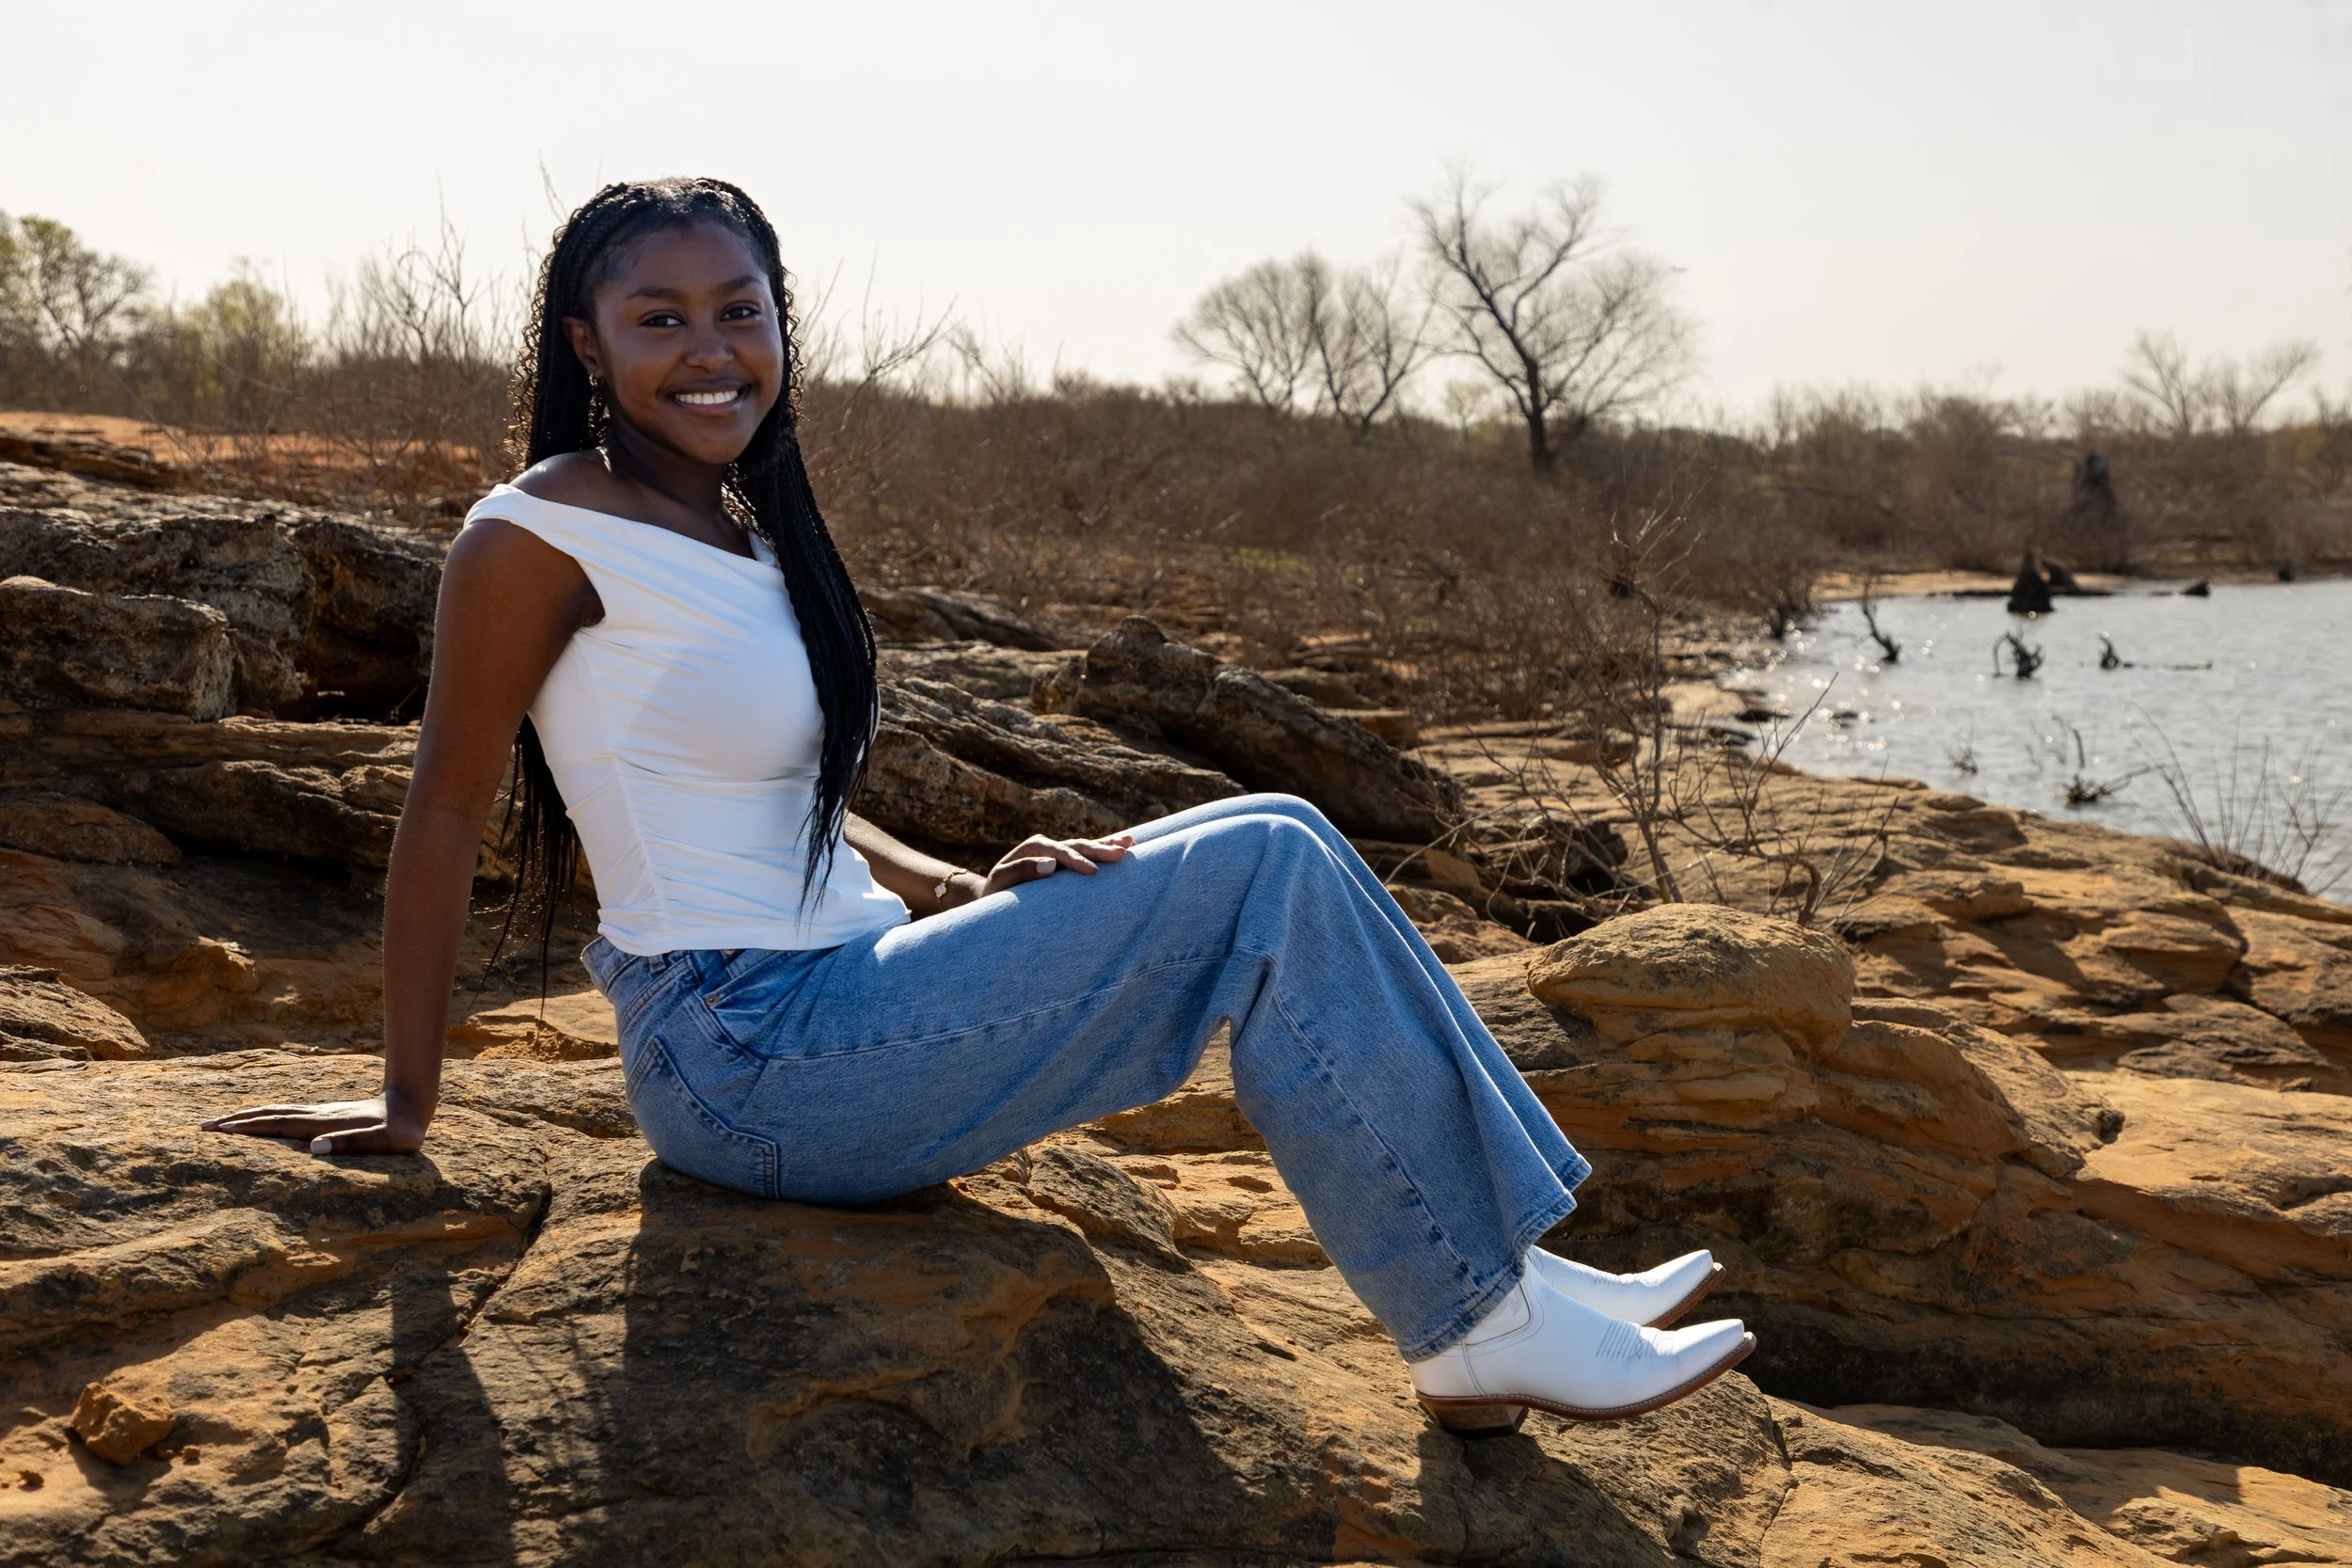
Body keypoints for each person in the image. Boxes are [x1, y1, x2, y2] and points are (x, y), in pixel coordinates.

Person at [202, 178, 1755, 1433]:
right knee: (1264, 865)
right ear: (586, 343)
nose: (710, 348)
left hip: (841, 994)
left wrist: (952, 878)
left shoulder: (742, 528)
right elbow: (443, 810)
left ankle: (1492, 1276)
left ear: (782, 324)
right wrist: (405, 1103)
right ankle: (1477, 1315)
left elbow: (783, 789)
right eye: (658, 317)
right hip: (745, 1051)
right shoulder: (532, 534)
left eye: (741, 310)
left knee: (1278, 825)